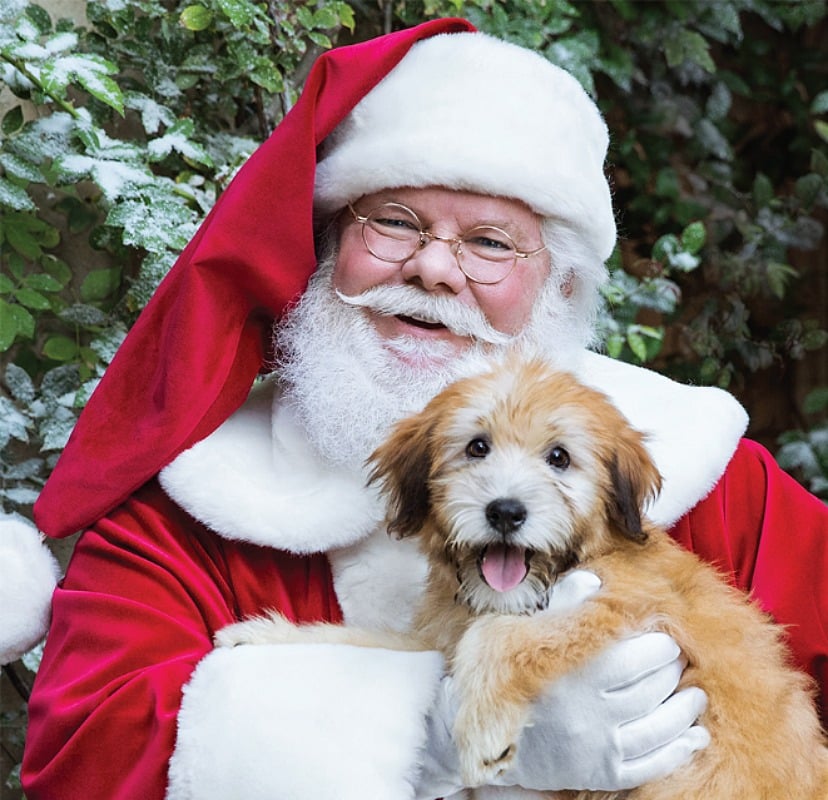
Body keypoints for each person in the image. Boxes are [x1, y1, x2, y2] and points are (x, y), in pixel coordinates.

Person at [5, 16, 825, 800]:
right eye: (392, 223)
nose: (435, 269)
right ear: (329, 249)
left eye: (491, 242)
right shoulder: (199, 498)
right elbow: (85, 756)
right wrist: (424, 740)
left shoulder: (700, 468)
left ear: (560, 285)